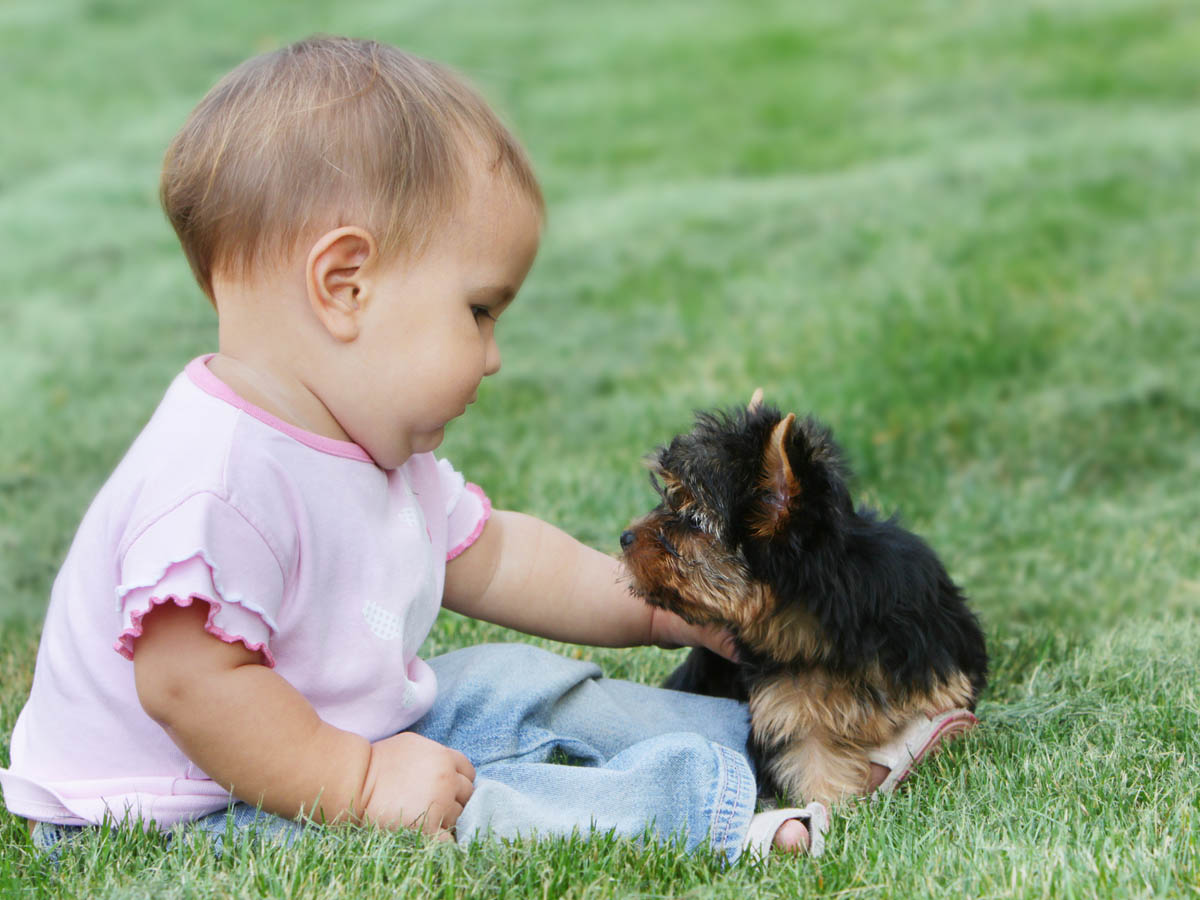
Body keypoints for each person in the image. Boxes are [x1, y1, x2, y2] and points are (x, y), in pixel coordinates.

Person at [0, 36, 945, 864]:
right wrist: (363, 783)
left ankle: (754, 742)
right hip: (194, 801)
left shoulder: (366, 448)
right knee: (470, 808)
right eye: (479, 311)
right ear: (346, 286)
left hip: (339, 730)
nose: (493, 357)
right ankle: (698, 816)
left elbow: (497, 556)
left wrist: (660, 618)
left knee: (515, 682)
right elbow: (192, 689)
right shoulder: (214, 483)